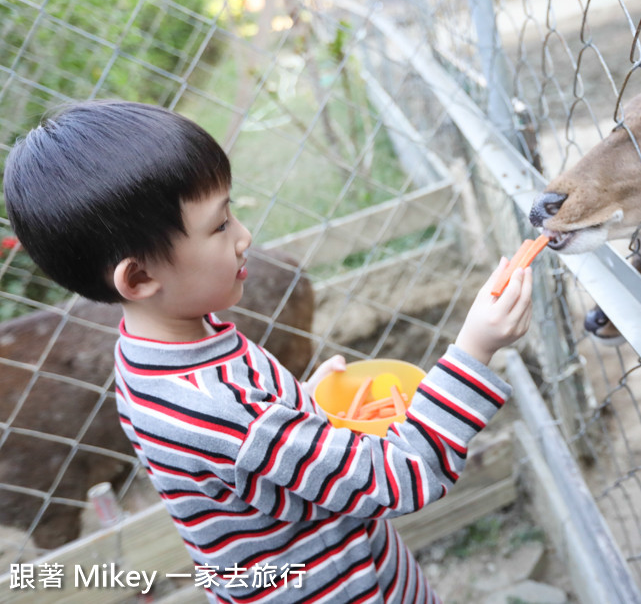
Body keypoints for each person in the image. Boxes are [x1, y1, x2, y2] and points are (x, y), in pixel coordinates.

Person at [3, 100, 534, 603]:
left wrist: (301, 406)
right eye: (219, 225)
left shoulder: (151, 353)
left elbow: (244, 456)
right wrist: (474, 348)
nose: (244, 236)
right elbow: (402, 476)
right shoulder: (217, 406)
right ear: (139, 276)